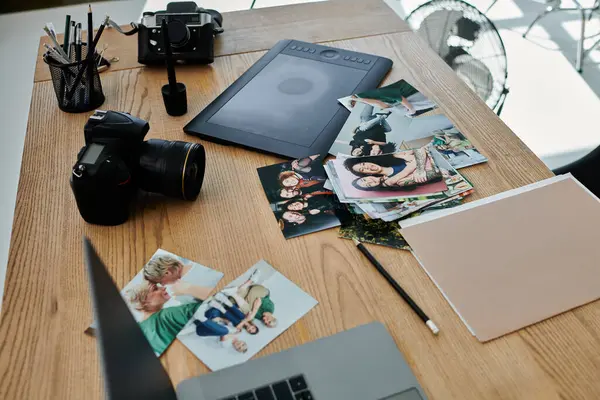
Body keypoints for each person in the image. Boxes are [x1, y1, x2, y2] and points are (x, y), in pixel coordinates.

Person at [127, 281, 203, 355]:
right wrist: (189, 289)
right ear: (144, 302)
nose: (163, 287)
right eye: (155, 289)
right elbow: (207, 307)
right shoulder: (167, 315)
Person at [343, 148, 441, 190]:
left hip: (437, 150)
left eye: (363, 164)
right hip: (443, 163)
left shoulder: (392, 156)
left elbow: (419, 148)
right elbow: (434, 172)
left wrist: (417, 165)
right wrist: (417, 165)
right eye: (363, 170)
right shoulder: (397, 182)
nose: (367, 167)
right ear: (367, 174)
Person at [143, 254, 214, 304]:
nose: (163, 285)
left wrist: (185, 291)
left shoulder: (181, 295)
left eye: (161, 282)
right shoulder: (201, 262)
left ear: (167, 273)